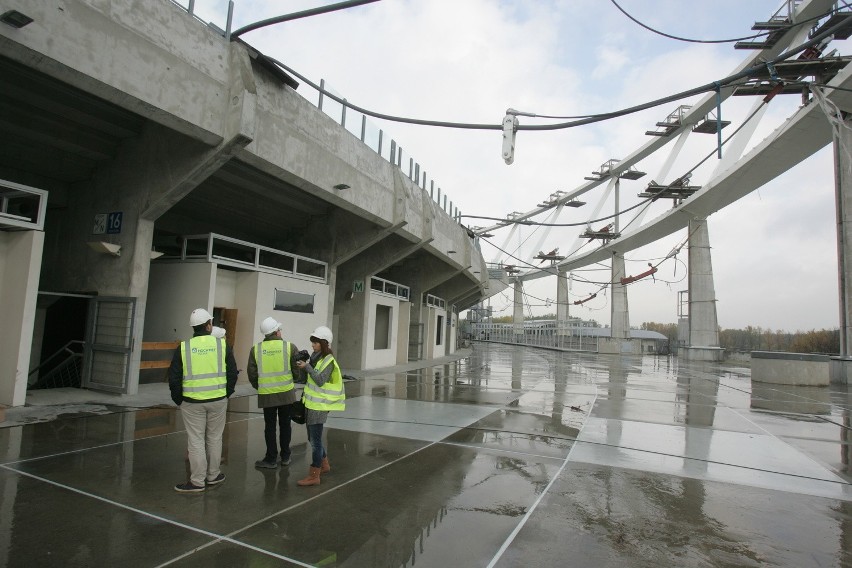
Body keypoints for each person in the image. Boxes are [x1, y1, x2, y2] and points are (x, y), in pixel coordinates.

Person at [168, 308, 238, 493]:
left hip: (192, 402)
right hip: (218, 400)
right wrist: (226, 392)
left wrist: (179, 399)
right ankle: (213, 476)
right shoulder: (222, 346)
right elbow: (232, 372)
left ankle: (197, 481)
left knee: (196, 440)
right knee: (215, 438)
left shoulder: (184, 347)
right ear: (208, 325)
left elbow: (173, 377)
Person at [247, 317, 302, 469]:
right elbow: (296, 370)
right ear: (276, 332)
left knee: (270, 426)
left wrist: (261, 386)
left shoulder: (256, 349)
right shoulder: (289, 347)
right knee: (285, 425)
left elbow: (252, 373)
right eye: (279, 329)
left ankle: (271, 458)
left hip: (267, 394)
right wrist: (293, 379)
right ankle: (285, 456)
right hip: (286, 393)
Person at [294, 325, 345, 487]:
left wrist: (307, 367)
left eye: (315, 342)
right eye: (312, 342)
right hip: (312, 403)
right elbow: (308, 379)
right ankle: (324, 465)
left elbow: (320, 379)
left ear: (324, 343)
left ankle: (314, 475)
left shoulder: (328, 360)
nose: (312, 345)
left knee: (315, 441)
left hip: (319, 406)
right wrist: (304, 367)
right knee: (312, 438)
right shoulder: (316, 357)